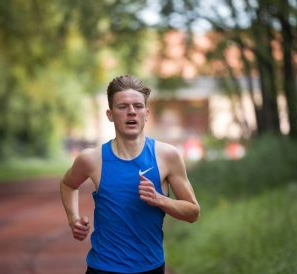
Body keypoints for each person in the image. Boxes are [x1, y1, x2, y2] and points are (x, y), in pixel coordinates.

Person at [60, 75, 200, 274]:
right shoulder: (91, 159)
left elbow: (193, 212)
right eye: (123, 107)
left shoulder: (167, 156)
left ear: (146, 113)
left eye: (137, 106)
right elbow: (68, 184)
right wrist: (73, 218)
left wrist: (160, 200)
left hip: (150, 267)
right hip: (103, 267)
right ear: (110, 114)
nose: (131, 112)